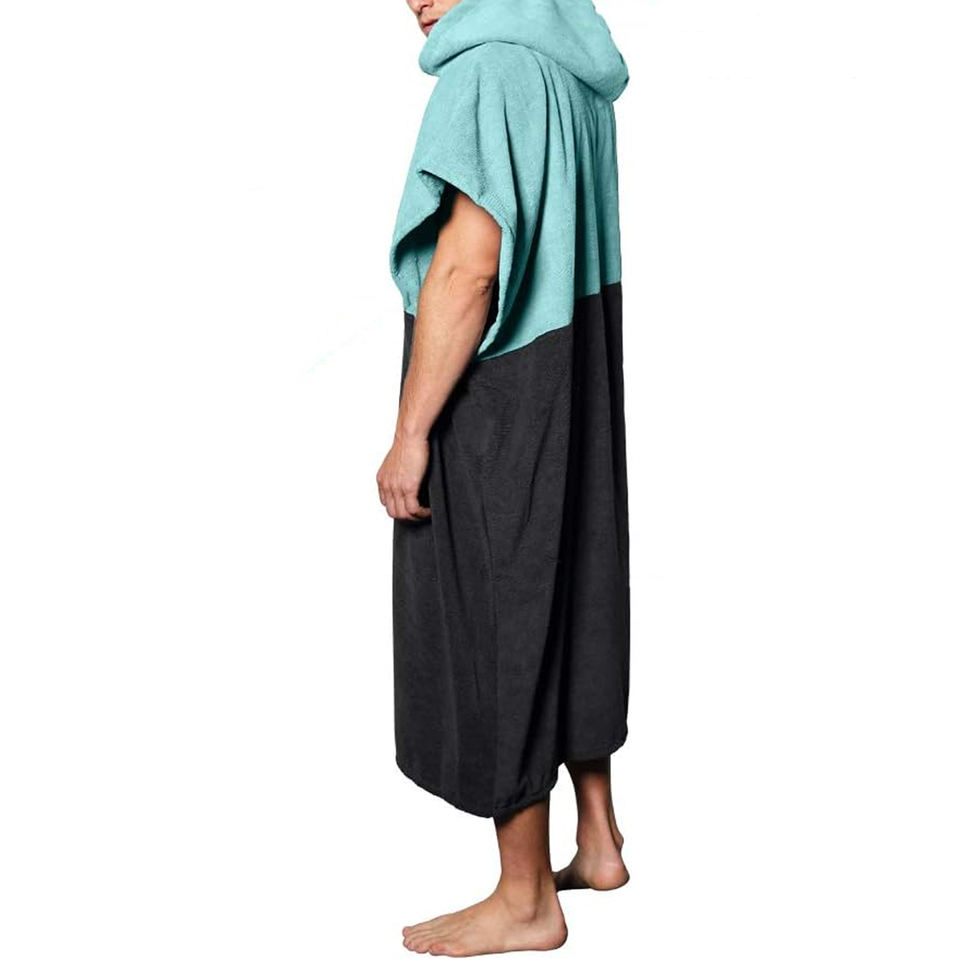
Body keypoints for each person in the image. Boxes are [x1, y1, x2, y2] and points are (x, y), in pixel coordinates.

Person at [377, 0, 631, 954]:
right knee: (574, 586)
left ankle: (525, 898)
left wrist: (411, 432)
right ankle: (597, 838)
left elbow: (469, 269)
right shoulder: (574, 73)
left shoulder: (486, 71)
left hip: (501, 395)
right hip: (578, 374)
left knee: (501, 612)